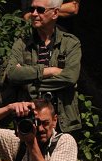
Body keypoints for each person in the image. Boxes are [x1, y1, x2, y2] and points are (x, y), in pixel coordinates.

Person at [6, 0, 81, 134]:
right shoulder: (22, 43)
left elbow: (70, 77)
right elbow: (12, 73)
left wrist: (30, 85)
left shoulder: (70, 43)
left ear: (55, 13)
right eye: (32, 9)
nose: (33, 14)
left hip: (62, 120)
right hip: (28, 119)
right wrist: (49, 71)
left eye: (40, 10)